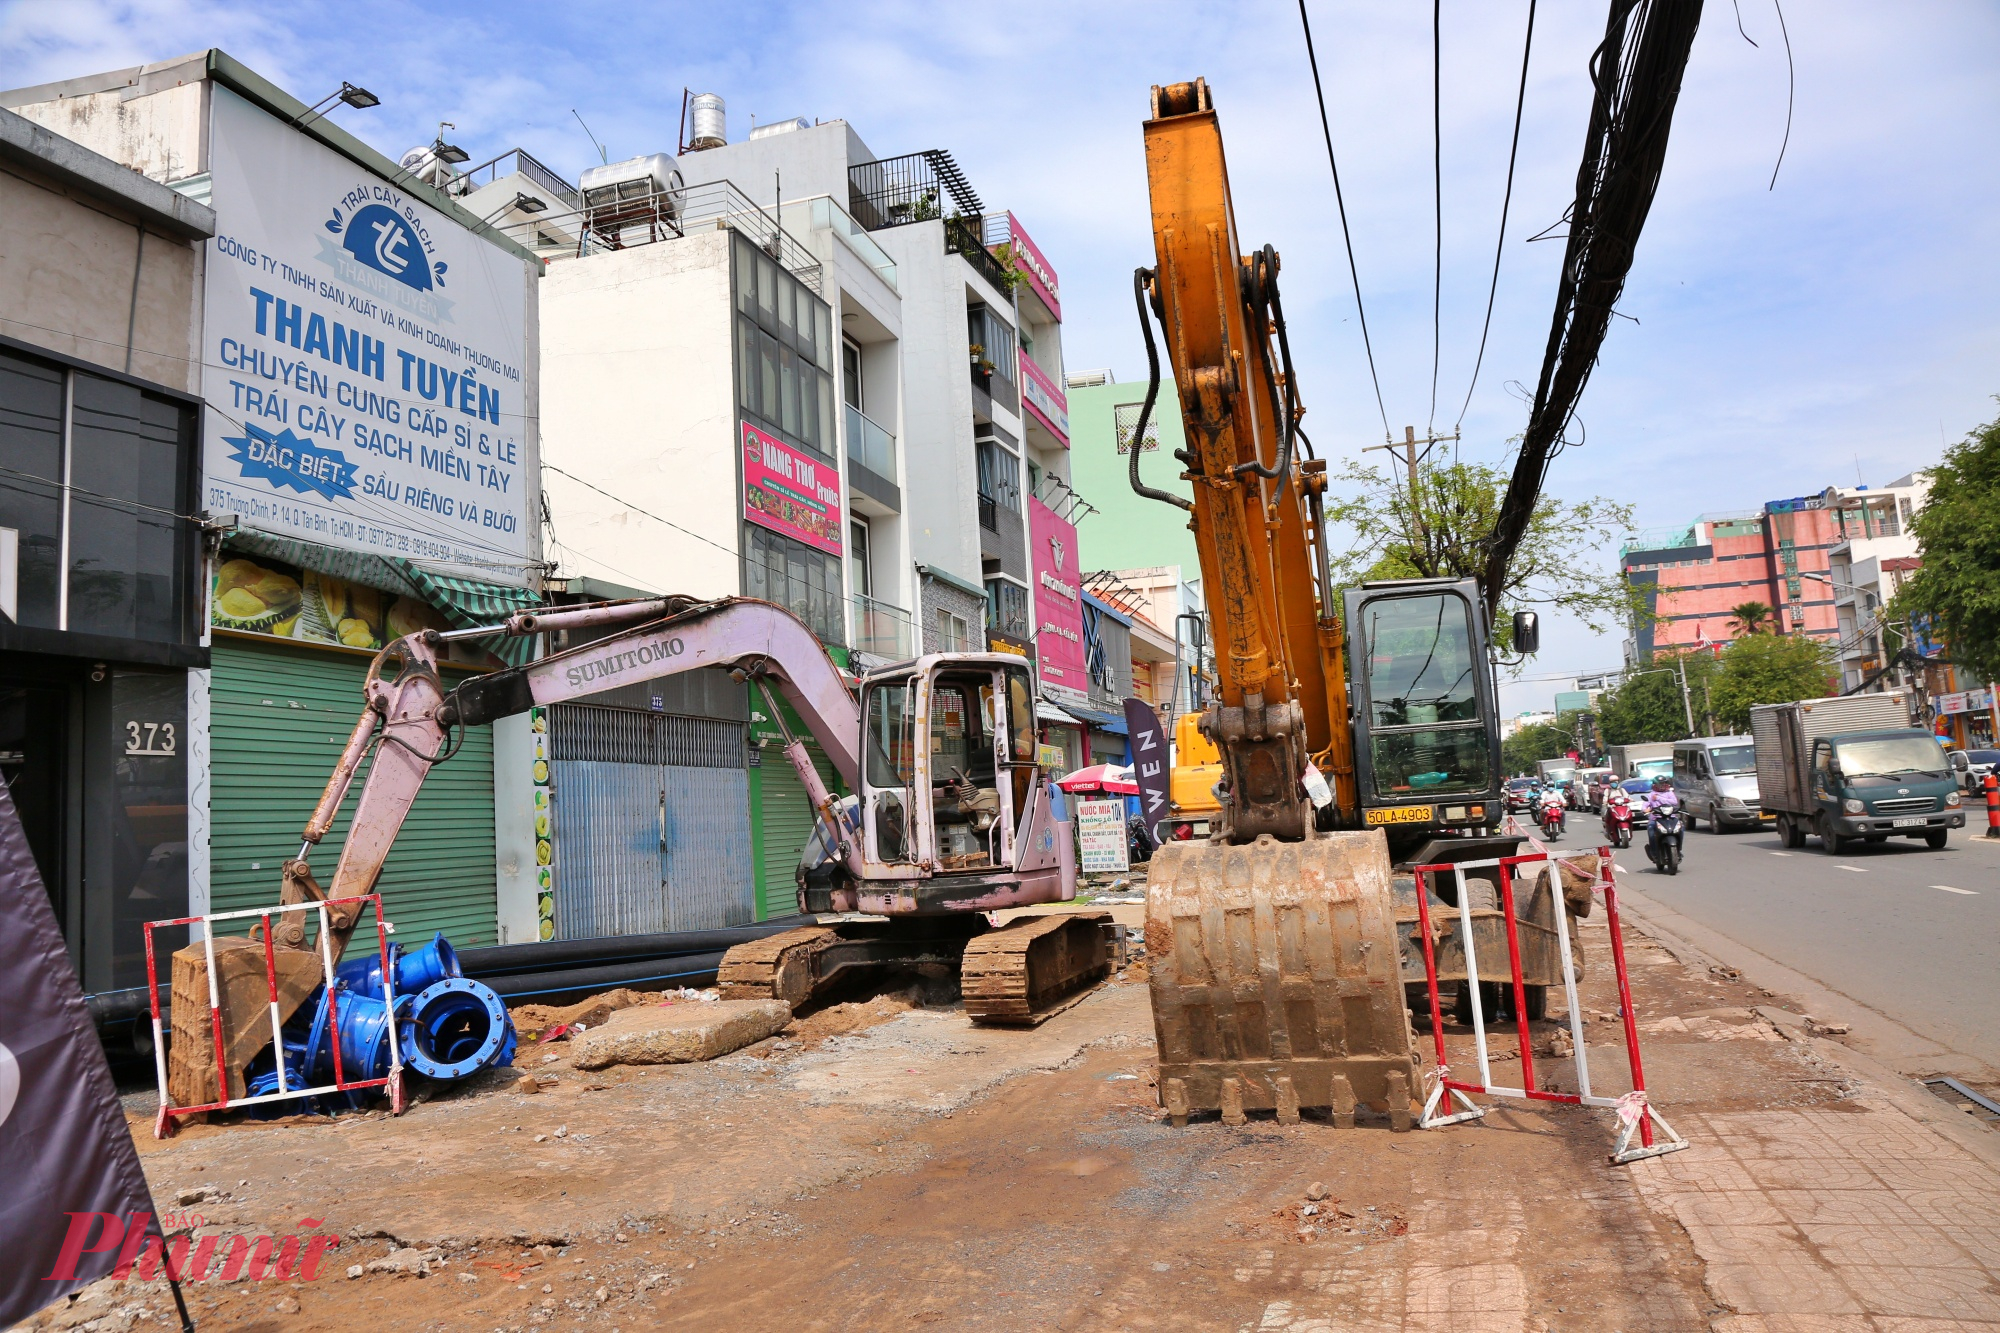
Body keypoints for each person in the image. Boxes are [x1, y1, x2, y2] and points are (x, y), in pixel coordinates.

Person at [1645, 774, 1680, 855]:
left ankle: (1679, 849)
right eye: (1659, 784)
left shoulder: (1669, 793)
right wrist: (1646, 809)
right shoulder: (1651, 795)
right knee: (1651, 829)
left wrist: (1658, 798)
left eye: (1663, 783)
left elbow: (1674, 802)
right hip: (1656, 818)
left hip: (1671, 818)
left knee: (1681, 828)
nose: (1662, 785)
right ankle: (1654, 852)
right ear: (1654, 785)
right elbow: (1645, 805)